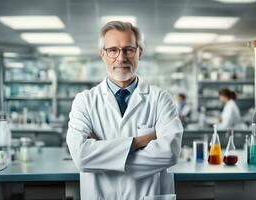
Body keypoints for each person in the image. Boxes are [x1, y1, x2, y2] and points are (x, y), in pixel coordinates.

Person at [66, 21, 183, 200]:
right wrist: (138, 142)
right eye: (113, 50)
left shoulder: (161, 99)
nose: (121, 58)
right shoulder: (85, 101)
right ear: (102, 55)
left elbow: (170, 153)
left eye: (128, 49)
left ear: (139, 53)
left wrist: (103, 155)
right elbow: (81, 157)